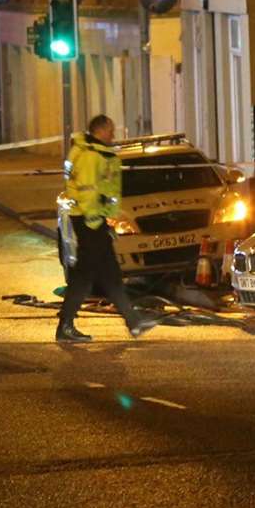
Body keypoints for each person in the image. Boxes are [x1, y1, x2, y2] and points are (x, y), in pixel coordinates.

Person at [56, 114, 156, 343]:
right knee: (85, 277)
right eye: (110, 130)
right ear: (99, 131)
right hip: (90, 221)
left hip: (91, 221)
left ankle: (134, 322)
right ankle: (66, 326)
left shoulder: (91, 151)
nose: (113, 134)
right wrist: (97, 223)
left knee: (109, 274)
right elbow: (89, 192)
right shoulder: (92, 156)